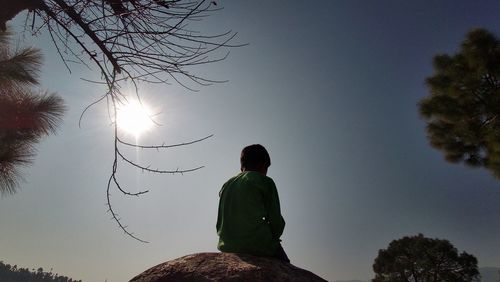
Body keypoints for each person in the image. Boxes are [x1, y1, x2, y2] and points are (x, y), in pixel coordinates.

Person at [216, 144, 290, 262]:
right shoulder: (265, 181)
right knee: (286, 266)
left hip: (227, 246)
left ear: (242, 166)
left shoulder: (226, 185)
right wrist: (274, 237)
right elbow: (276, 221)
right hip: (258, 244)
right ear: (263, 165)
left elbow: (220, 221)